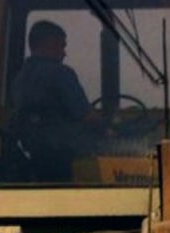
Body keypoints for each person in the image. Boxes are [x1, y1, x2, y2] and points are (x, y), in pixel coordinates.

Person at [6, 20, 101, 181]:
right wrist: (108, 125)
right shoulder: (61, 74)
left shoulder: (19, 80)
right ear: (49, 44)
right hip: (65, 160)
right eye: (61, 46)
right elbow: (86, 116)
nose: (64, 53)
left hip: (34, 159)